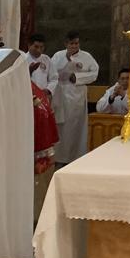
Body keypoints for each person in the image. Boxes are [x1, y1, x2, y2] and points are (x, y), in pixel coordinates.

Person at [48, 33, 99, 163]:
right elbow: (52, 73)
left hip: (77, 95)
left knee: (76, 126)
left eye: (76, 43)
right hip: (61, 94)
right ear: (66, 44)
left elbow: (94, 73)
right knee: (61, 126)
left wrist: (77, 77)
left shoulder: (86, 57)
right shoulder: (58, 56)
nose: (74, 46)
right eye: (71, 43)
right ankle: (59, 157)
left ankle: (76, 157)